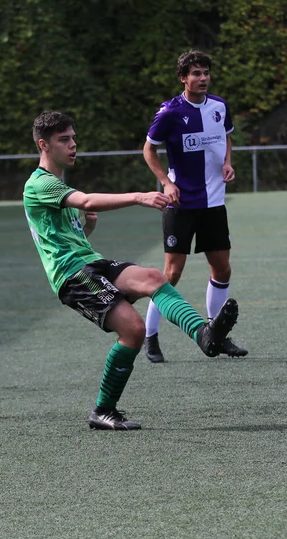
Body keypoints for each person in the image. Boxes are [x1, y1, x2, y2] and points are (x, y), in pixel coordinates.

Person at [24, 111, 240, 430]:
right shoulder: (40, 183)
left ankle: (204, 334)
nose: (73, 145)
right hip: (72, 276)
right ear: (44, 145)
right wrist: (139, 196)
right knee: (133, 329)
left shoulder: (56, 184)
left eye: (73, 138)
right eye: (64, 140)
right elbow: (86, 201)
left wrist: (87, 229)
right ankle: (103, 411)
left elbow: (62, 239)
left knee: (154, 278)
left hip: (89, 262)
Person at [141, 50, 247, 364]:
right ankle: (150, 336)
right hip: (181, 204)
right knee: (171, 274)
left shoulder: (219, 106)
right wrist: (166, 182)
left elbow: (226, 137)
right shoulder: (170, 112)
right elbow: (149, 150)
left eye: (206, 73)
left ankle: (217, 335)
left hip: (214, 202)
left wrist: (227, 163)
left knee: (222, 268)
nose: (203, 78)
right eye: (196, 73)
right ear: (183, 78)